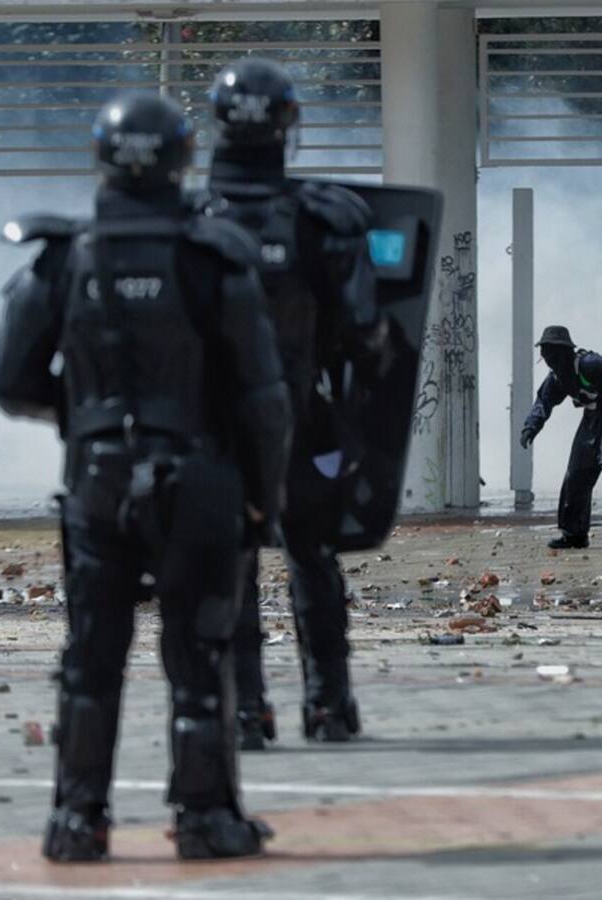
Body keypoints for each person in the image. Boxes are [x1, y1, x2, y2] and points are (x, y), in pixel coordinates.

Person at [0, 92, 291, 860]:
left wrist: (84, 412)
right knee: (200, 657)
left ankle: (76, 823)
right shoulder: (214, 255)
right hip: (201, 481)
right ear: (184, 156)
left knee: (91, 659)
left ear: (102, 156)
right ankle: (206, 820)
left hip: (97, 482)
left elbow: (9, 378)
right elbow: (264, 401)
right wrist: (263, 498)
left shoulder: (65, 256)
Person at [205, 58, 374, 747]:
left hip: (213, 429)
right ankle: (329, 708)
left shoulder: (189, 221)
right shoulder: (325, 219)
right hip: (302, 420)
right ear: (287, 125)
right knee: (313, 556)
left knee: (232, 561)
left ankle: (246, 712)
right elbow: (365, 329)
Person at [520, 326, 602, 550]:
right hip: (589, 421)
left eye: (551, 353)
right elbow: (543, 402)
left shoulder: (589, 363)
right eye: (545, 354)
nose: (549, 360)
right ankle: (574, 534)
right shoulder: (558, 378)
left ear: (564, 351)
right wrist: (530, 427)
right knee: (575, 475)